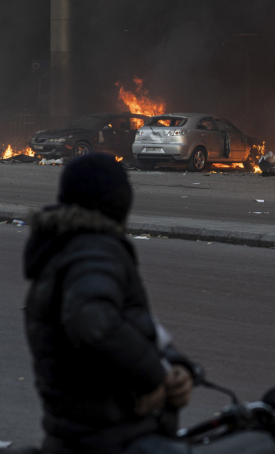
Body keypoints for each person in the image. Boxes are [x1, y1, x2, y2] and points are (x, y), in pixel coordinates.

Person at [23, 153, 196, 454]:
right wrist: (153, 375)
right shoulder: (93, 250)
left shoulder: (69, 248)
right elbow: (93, 319)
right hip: (108, 438)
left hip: (93, 432)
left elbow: (132, 325)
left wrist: (176, 366)